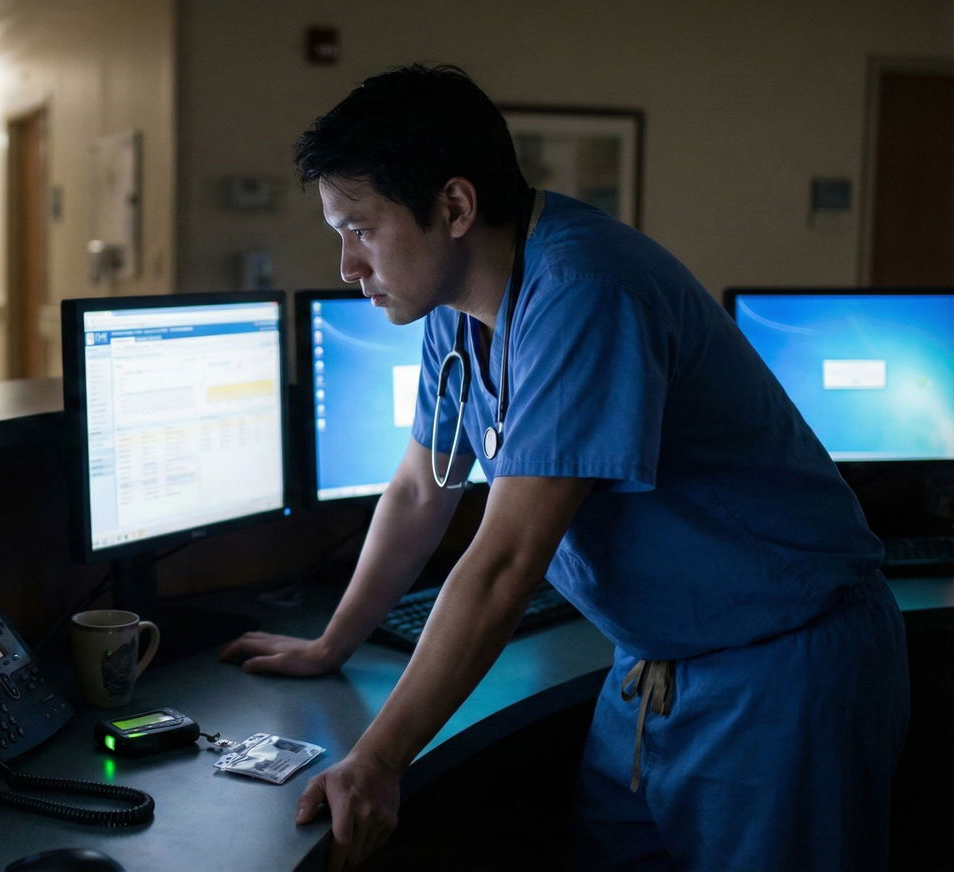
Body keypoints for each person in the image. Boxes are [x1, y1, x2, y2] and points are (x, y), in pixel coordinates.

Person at [219, 63, 909, 871]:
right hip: (649, 665)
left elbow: (508, 559)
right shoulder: (456, 309)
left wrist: (377, 759)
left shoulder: (585, 290)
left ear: (455, 208)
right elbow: (418, 491)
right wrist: (333, 642)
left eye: (361, 229)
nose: (347, 265)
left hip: (778, 662)